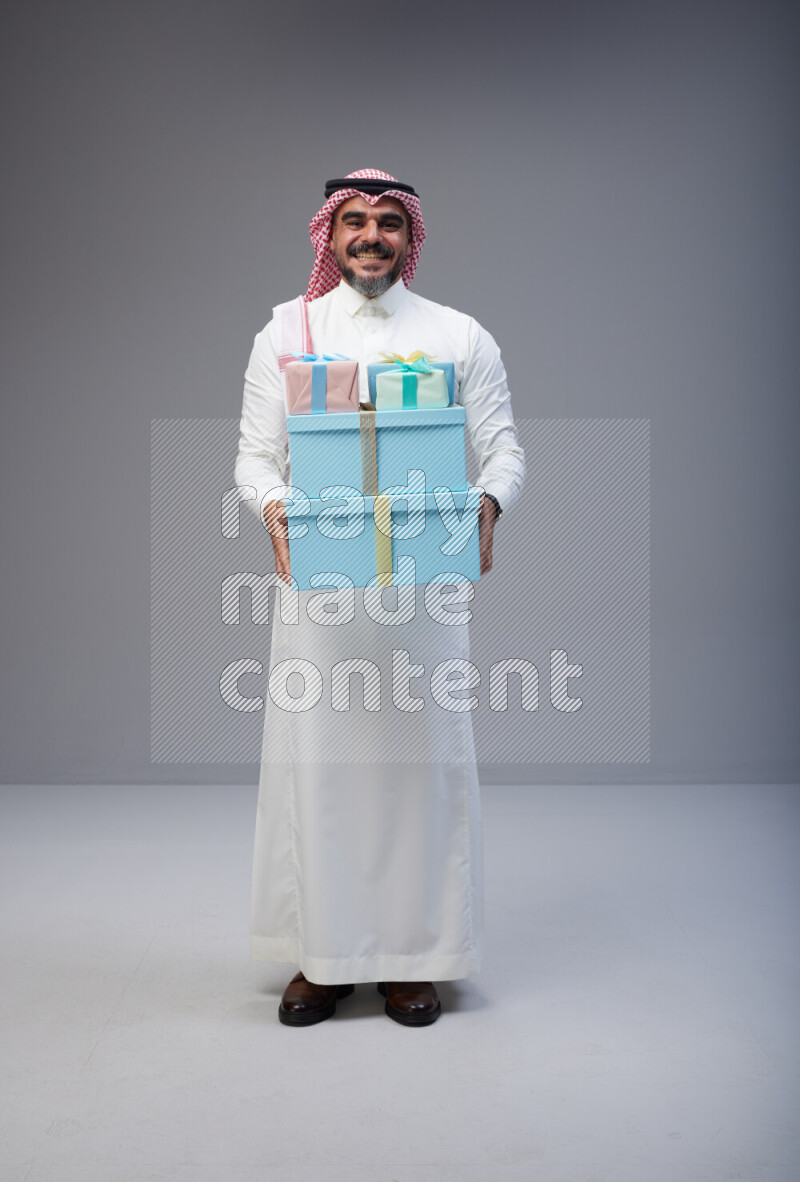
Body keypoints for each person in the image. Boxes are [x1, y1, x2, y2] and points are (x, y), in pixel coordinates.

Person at [234, 169, 525, 1026]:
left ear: (411, 236)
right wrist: (280, 514)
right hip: (319, 603)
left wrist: (487, 504)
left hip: (422, 599)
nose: (370, 236)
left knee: (416, 771)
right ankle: (323, 961)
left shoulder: (457, 335)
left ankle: (414, 958)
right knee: (321, 772)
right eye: (354, 221)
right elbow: (254, 459)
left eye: (388, 222)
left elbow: (504, 447)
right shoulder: (286, 332)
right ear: (329, 235)